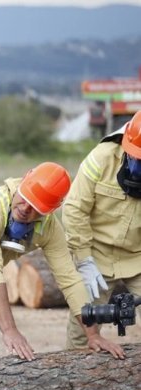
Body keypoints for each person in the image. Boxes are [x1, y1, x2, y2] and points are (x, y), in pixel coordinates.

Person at [0, 162, 125, 363]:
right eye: (26, 198)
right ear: (24, 180)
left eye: (36, 207)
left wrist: (92, 335)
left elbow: (70, 280)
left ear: (50, 211)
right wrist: (10, 330)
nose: (26, 209)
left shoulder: (50, 229)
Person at [63, 110, 141, 350]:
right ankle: (73, 380)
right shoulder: (101, 157)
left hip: (138, 257)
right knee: (84, 325)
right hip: (96, 255)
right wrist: (84, 260)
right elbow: (75, 208)